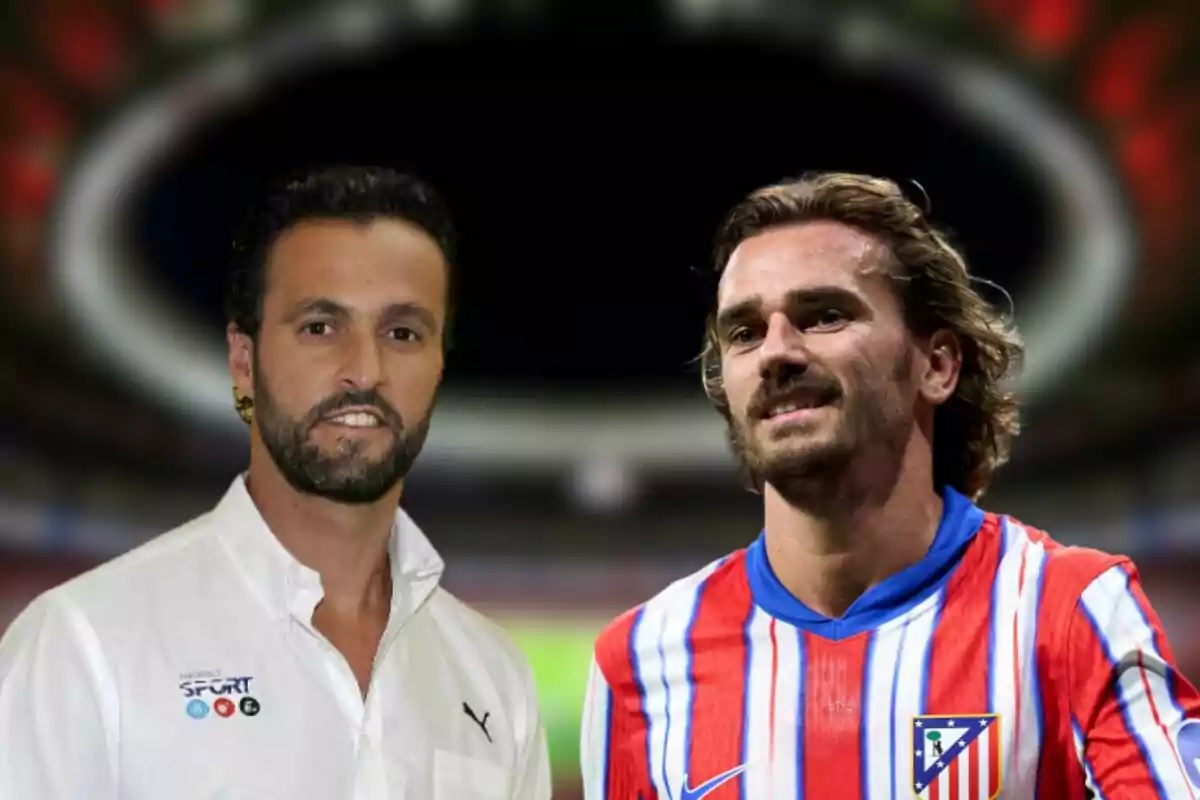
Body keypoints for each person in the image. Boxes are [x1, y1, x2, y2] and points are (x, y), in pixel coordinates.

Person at [579, 172, 1200, 799]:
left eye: (823, 316)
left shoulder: (1069, 612)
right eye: (744, 332)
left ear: (936, 365)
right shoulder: (639, 661)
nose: (776, 352)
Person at [0, 166, 551, 800]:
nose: (364, 371)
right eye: (321, 327)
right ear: (244, 361)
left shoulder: (494, 678)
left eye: (402, 333)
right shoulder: (82, 645)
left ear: (439, 365)